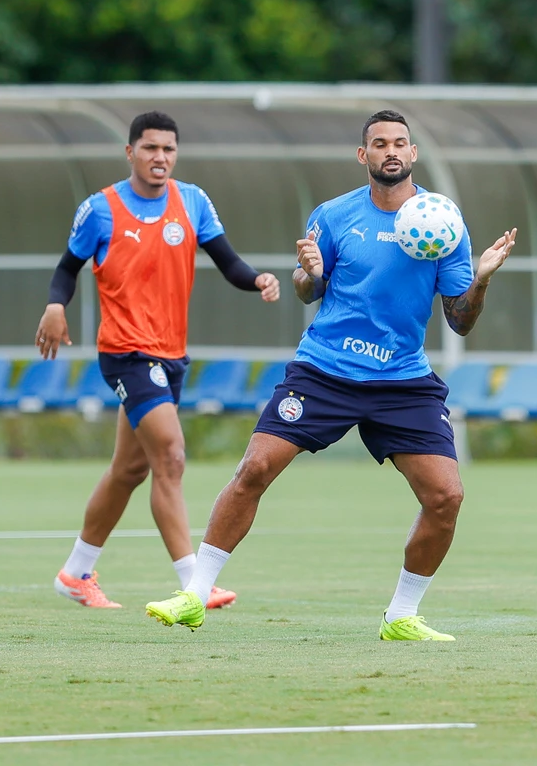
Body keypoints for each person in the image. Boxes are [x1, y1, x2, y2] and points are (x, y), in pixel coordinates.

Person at [145, 109, 516, 640]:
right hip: (325, 369)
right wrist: (311, 272)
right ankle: (195, 596)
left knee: (446, 498)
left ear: (413, 154)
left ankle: (402, 616)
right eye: (379, 143)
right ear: (363, 156)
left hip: (402, 380)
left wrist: (479, 280)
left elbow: (459, 321)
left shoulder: (442, 220)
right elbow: (306, 287)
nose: (391, 151)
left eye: (401, 143)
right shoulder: (336, 215)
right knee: (254, 469)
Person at [37, 110, 281, 610]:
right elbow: (67, 268)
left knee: (130, 470)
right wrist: (55, 306)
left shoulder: (191, 202)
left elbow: (227, 261)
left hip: (171, 354)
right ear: (131, 153)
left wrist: (257, 279)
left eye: (168, 149)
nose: (160, 158)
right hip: (125, 352)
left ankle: (76, 572)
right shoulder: (102, 209)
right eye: (150, 148)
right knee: (170, 455)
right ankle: (195, 581)